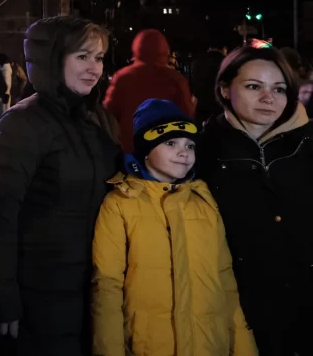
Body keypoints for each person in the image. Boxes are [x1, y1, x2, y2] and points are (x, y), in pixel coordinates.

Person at [0, 16, 119, 355]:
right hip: (38, 292)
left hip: (92, 288)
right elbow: (0, 217)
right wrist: (2, 298)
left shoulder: (99, 119)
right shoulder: (24, 123)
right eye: (81, 56)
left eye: (98, 57)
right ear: (52, 60)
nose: (93, 68)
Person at [92, 99, 257, 355]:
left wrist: (244, 348)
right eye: (170, 143)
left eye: (189, 145)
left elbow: (225, 278)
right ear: (146, 150)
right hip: (151, 345)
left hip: (209, 344)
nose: (184, 152)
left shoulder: (204, 202)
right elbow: (107, 284)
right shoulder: (121, 203)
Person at [196, 46, 313, 356]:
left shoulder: (308, 141)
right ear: (224, 88)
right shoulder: (200, 148)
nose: (268, 98)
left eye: (279, 89)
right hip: (237, 303)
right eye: (253, 86)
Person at [103, 29, 194, 153]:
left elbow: (110, 110)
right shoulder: (175, 79)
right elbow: (186, 114)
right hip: (165, 150)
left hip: (131, 147)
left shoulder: (123, 77)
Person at [190, 42, 226, 126]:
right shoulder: (226, 61)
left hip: (202, 104)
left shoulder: (197, 61)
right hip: (220, 105)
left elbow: (194, 85)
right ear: (224, 48)